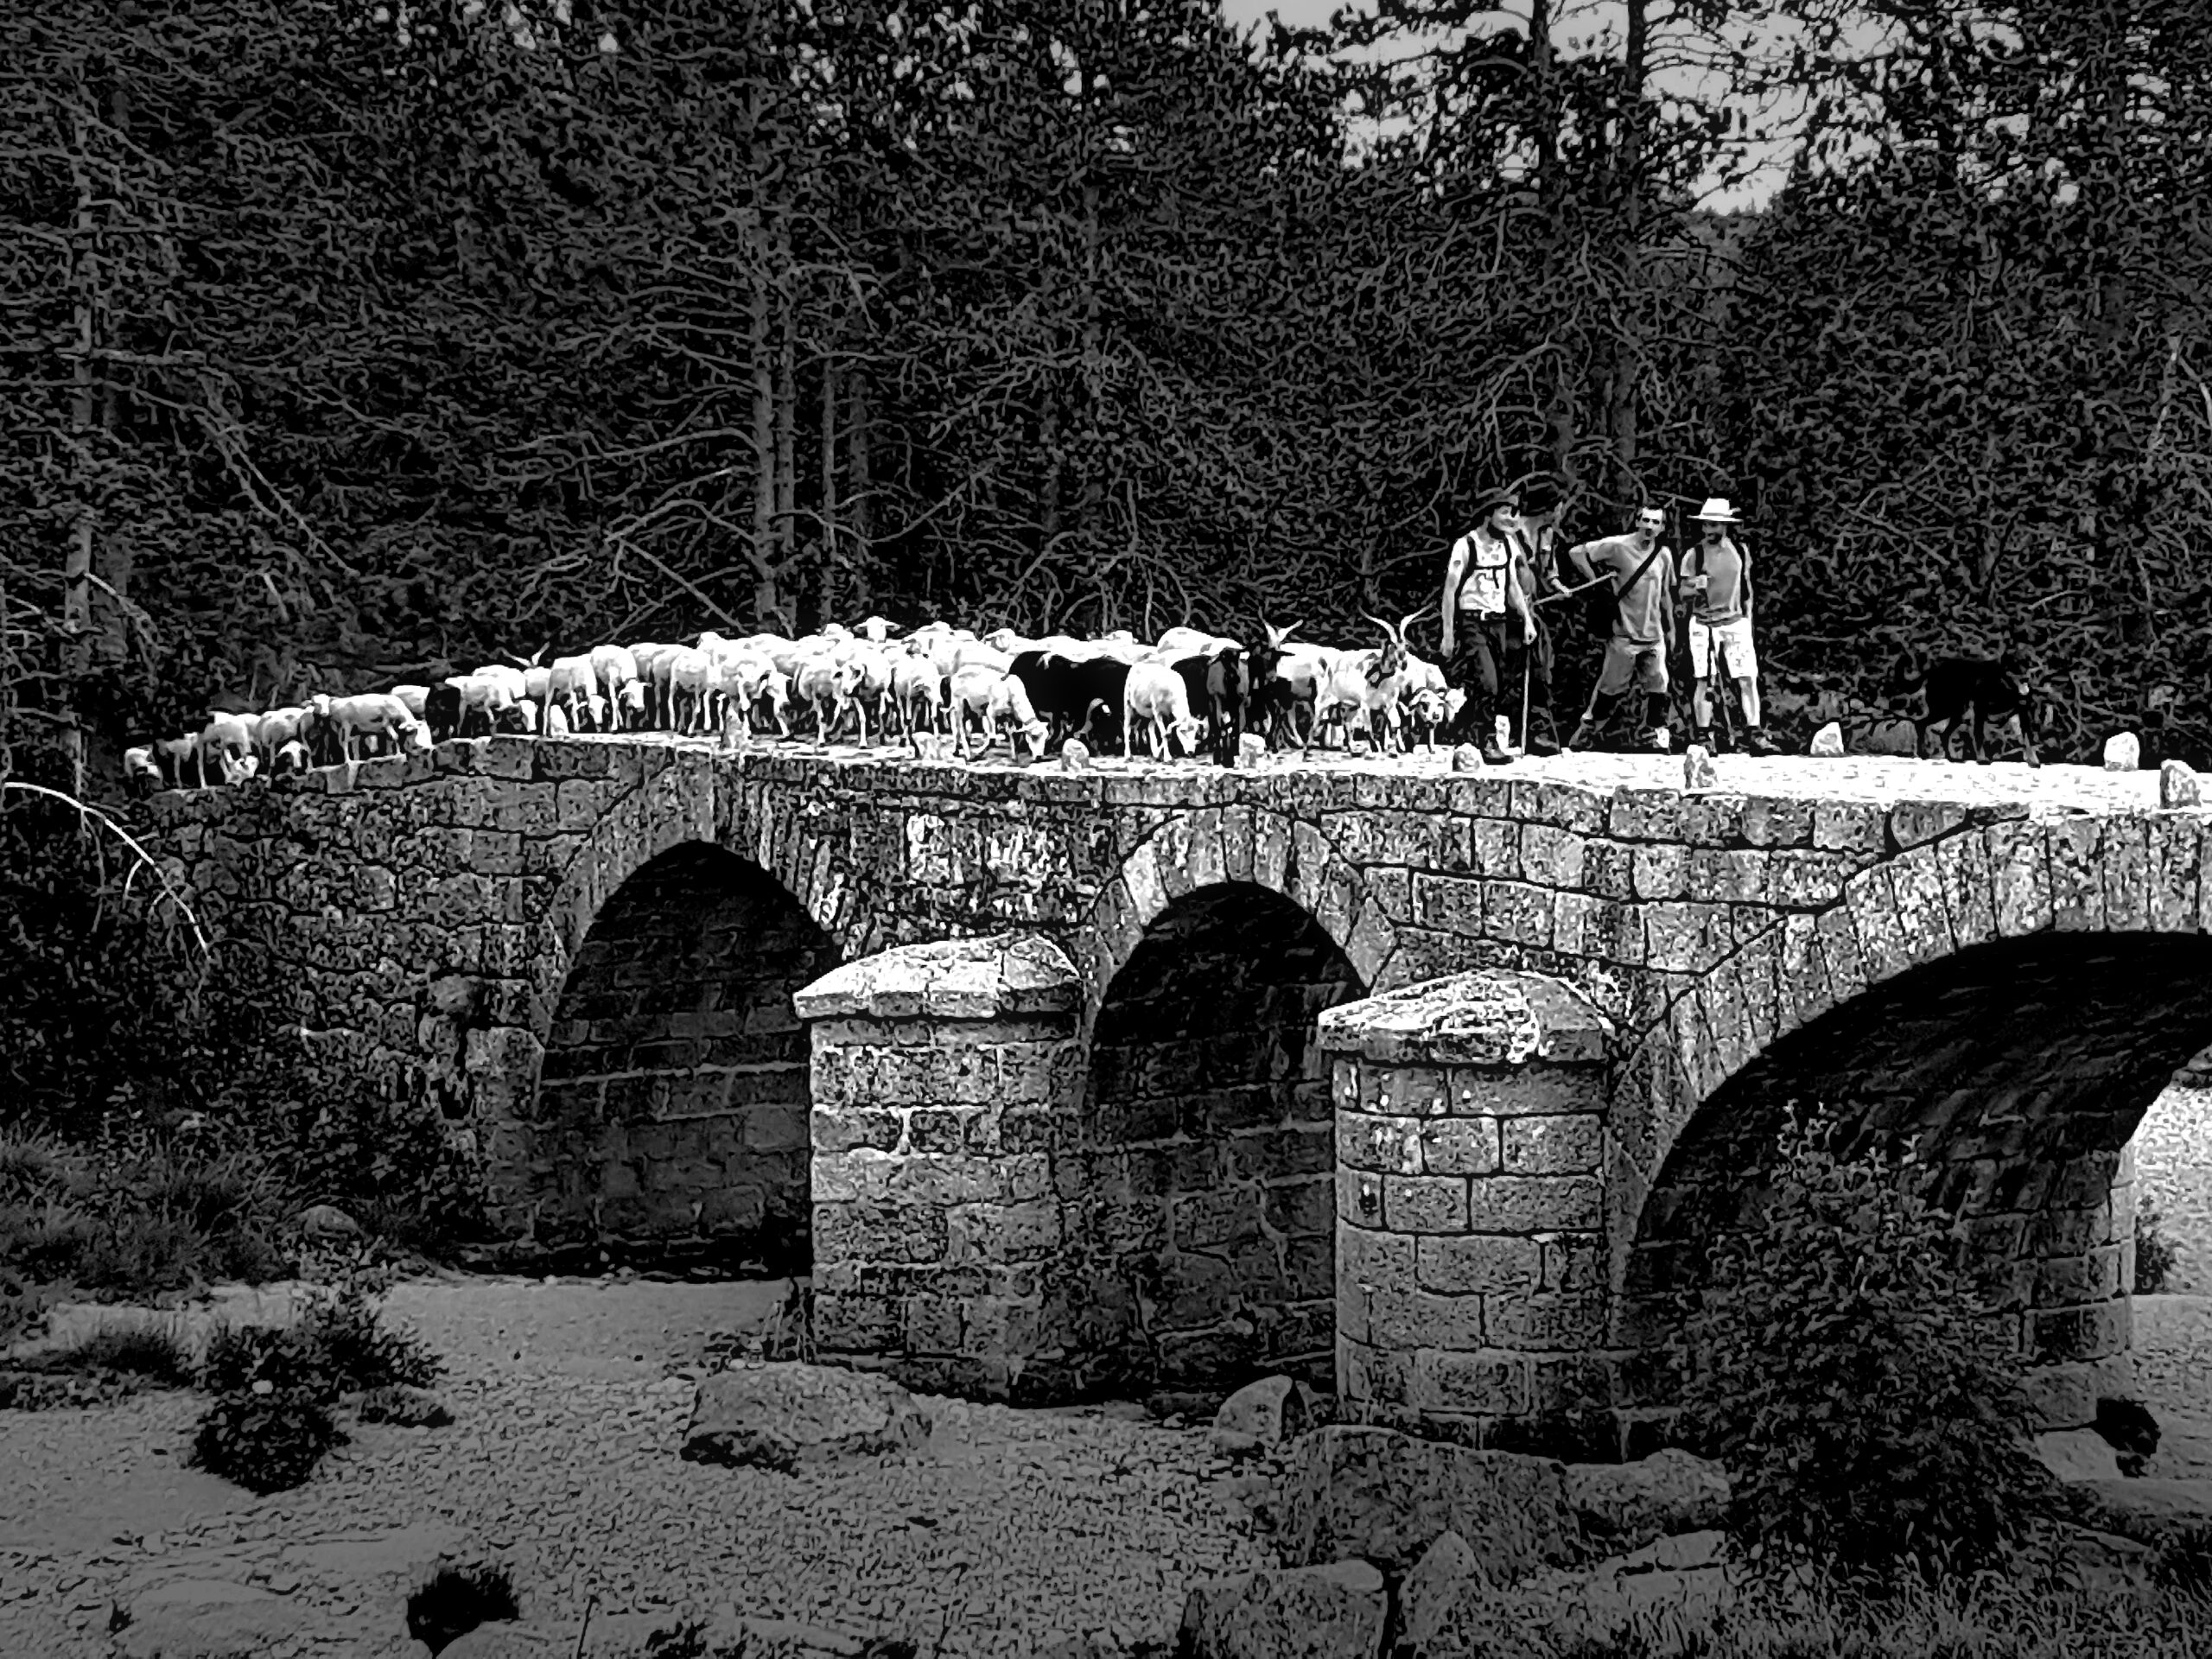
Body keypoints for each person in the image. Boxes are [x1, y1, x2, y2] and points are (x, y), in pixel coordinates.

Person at [1439, 486, 1558, 763]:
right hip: (1473, 621)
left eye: (1514, 514)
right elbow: (1450, 590)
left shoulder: (1507, 544)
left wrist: (1527, 620)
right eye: (1505, 513)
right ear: (1488, 514)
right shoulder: (1466, 545)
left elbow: (1513, 586)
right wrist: (1447, 633)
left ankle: (1462, 730)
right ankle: (1487, 741)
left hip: (1498, 621)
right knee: (1488, 682)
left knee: (1498, 684)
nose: (1511, 520)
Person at [1561, 502, 1679, 753]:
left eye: (1655, 522)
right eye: (1645, 520)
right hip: (1624, 632)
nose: (1649, 526)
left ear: (1661, 527)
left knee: (1659, 684)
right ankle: (1588, 731)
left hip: (1653, 632)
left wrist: (1671, 629)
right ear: (1637, 522)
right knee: (1611, 687)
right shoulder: (1619, 546)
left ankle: (1654, 732)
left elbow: (1666, 594)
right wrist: (1595, 581)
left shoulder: (1664, 555)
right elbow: (1577, 553)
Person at [1677, 497, 1778, 756]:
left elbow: (1747, 587)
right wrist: (1694, 586)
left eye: (1715, 525)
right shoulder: (1694, 554)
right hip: (1704, 622)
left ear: (1724, 526)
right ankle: (1704, 735)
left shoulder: (1740, 551)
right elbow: (1681, 590)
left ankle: (1754, 732)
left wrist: (1748, 618)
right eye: (1707, 525)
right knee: (1705, 680)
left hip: (1735, 621)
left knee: (1747, 677)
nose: (1710, 530)